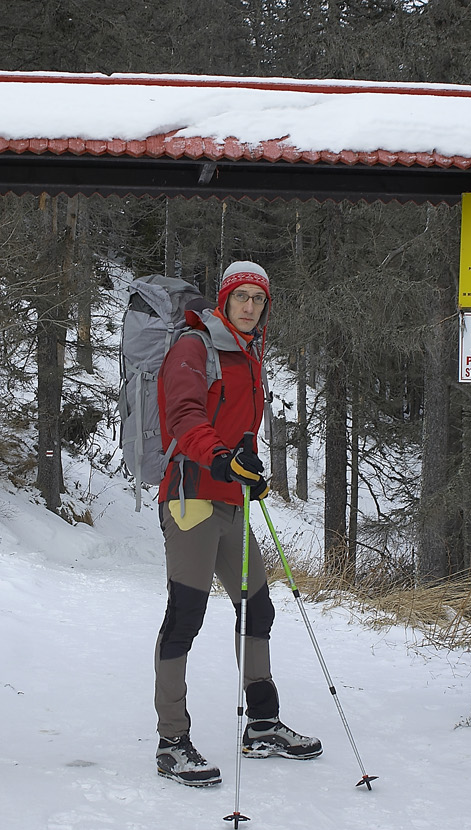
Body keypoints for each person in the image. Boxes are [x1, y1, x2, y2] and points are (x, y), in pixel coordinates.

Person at [152, 260, 322, 787]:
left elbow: (238, 428)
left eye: (258, 299)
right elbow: (184, 418)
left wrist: (247, 466)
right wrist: (222, 458)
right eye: (241, 297)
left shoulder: (249, 355)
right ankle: (171, 741)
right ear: (223, 301)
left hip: (230, 500)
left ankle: (263, 723)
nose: (250, 306)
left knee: (257, 605)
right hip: (191, 498)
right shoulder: (193, 347)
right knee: (186, 614)